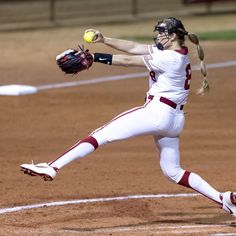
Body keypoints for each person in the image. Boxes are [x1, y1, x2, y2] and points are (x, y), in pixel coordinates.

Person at [20, 17, 236, 216]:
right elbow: (134, 47)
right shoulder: (176, 53)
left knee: (100, 135)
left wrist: (94, 57)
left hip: (156, 113)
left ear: (172, 36)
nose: (158, 36)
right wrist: (104, 39)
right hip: (174, 121)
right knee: (173, 172)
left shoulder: (168, 58)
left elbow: (128, 60)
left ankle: (53, 166)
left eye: (161, 33)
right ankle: (224, 199)